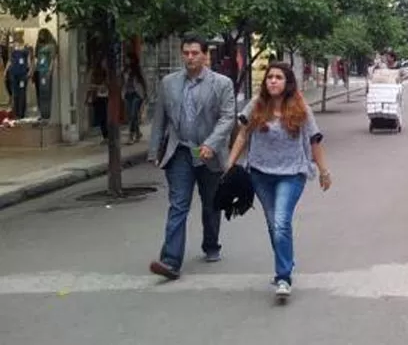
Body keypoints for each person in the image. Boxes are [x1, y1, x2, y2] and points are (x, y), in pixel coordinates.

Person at [228, 62, 332, 300]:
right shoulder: (256, 105)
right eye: (269, 77)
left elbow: (314, 140)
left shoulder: (300, 108)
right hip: (260, 174)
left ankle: (283, 276)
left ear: (287, 83)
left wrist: (324, 172)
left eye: (278, 77)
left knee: (281, 222)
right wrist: (230, 164)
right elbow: (243, 135)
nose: (273, 81)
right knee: (273, 224)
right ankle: (286, 261)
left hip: (292, 173)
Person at [148, 34, 236, 281]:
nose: (190, 57)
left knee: (211, 204)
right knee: (178, 205)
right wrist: (154, 150)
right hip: (180, 151)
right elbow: (160, 119)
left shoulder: (222, 84)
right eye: (186, 53)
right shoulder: (169, 83)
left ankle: (211, 244)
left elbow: (227, 118)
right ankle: (170, 260)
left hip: (209, 154)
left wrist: (211, 144)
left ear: (205, 55)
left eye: (195, 53)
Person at [123, 55, 148, 144]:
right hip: (128, 94)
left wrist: (145, 93)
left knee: (133, 115)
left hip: (137, 94)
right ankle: (138, 133)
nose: (127, 60)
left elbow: (144, 81)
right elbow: (123, 83)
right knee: (132, 116)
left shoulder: (138, 70)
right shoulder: (125, 70)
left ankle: (131, 135)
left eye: (128, 59)